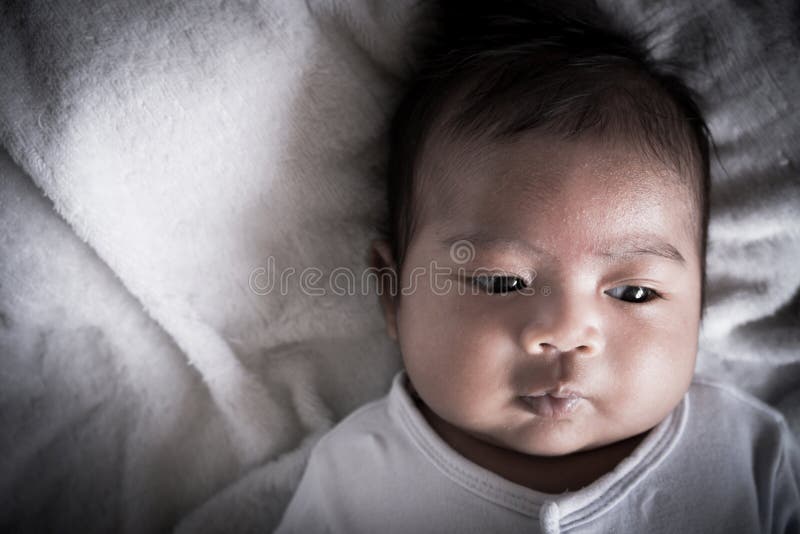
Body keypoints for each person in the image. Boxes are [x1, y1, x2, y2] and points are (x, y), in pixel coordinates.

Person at [275, 1, 800, 532]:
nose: (568, 333)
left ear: (701, 303)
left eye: (635, 294)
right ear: (395, 294)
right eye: (502, 282)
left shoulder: (744, 452)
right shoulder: (357, 477)